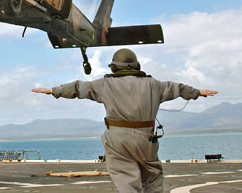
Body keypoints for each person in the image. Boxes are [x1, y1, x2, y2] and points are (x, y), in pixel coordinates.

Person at [32, 48, 218, 193]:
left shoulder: (105, 84)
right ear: (136, 66)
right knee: (153, 177)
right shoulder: (154, 84)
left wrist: (53, 90)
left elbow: (79, 88)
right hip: (147, 140)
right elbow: (177, 88)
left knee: (126, 178)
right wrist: (198, 92)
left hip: (117, 141)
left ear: (113, 67)